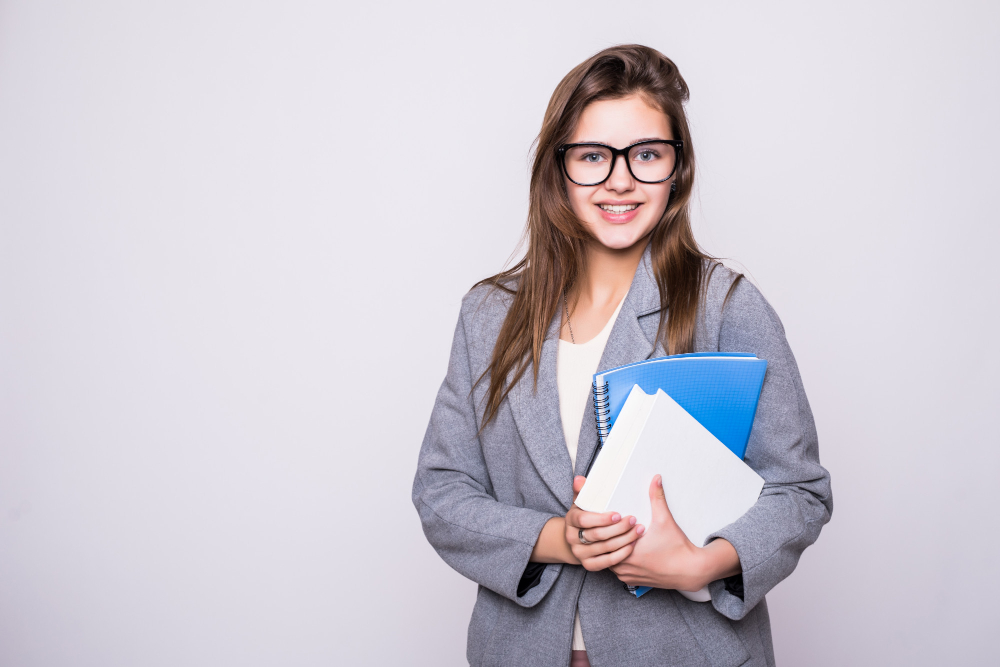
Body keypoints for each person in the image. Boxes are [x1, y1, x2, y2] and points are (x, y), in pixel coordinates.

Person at [412, 44, 832, 667]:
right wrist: (559, 539)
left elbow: (799, 491)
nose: (620, 179)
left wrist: (699, 562)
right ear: (559, 169)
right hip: (522, 648)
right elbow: (442, 491)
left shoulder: (724, 304)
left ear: (677, 169)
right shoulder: (488, 314)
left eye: (647, 155)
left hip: (681, 650)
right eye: (592, 156)